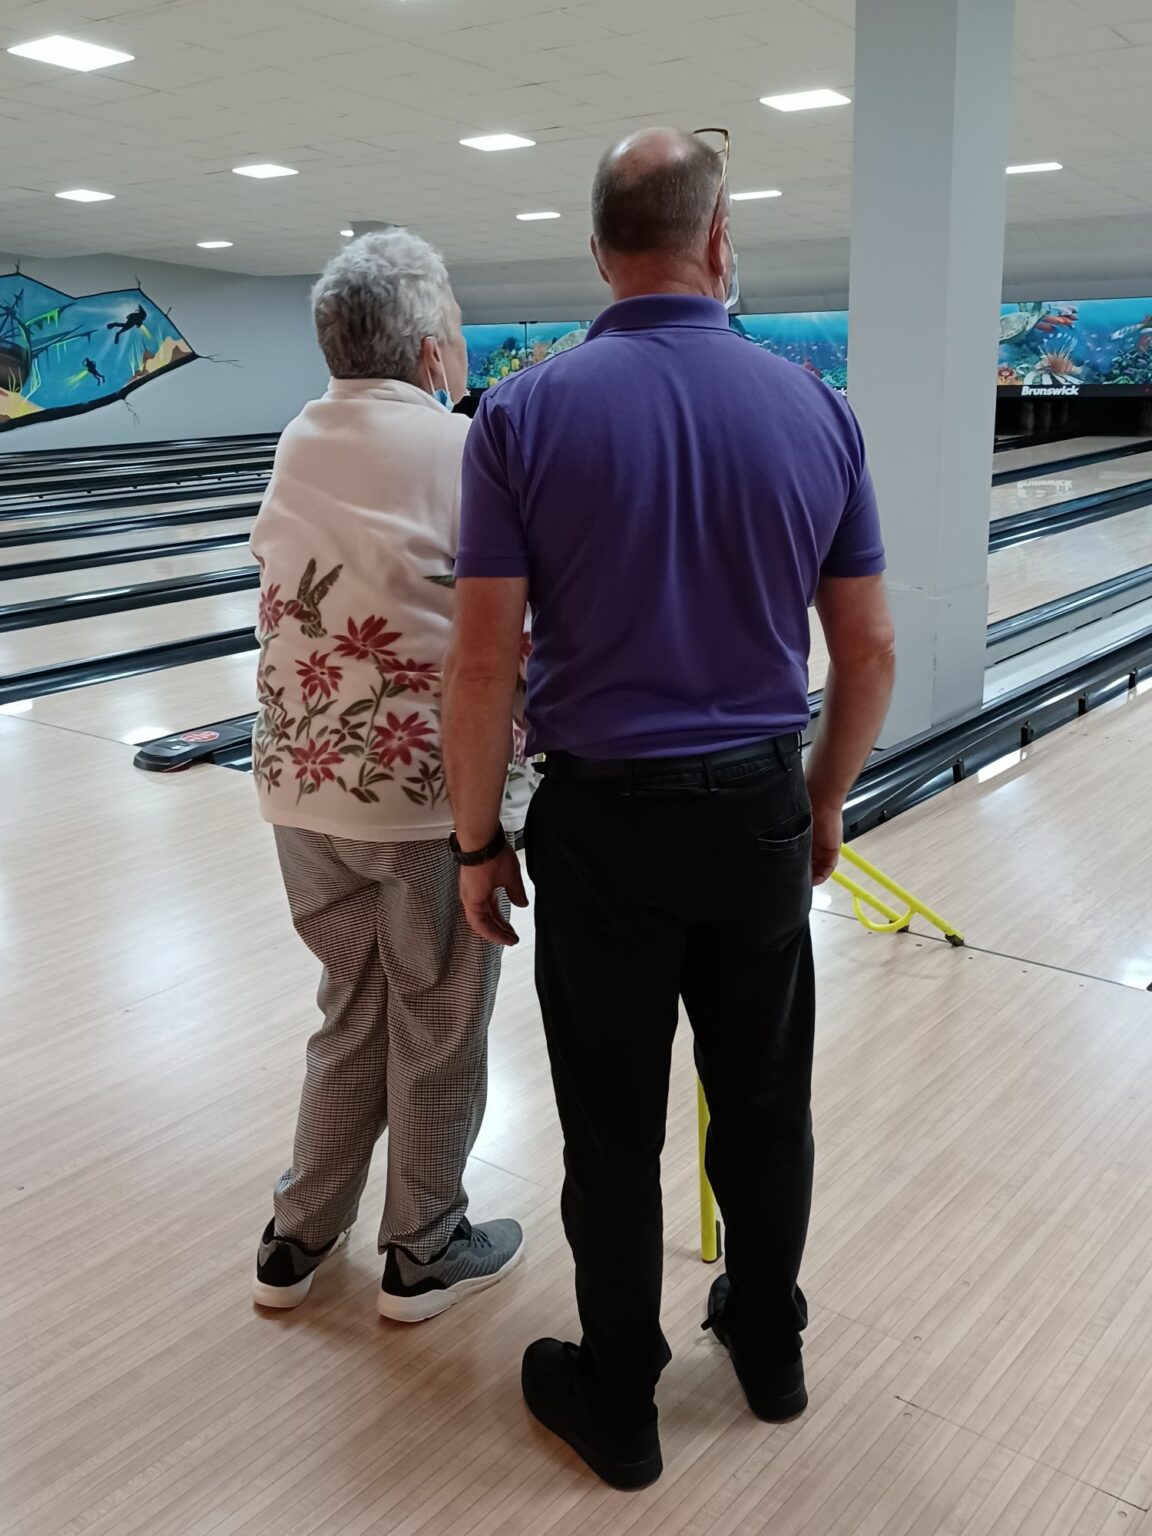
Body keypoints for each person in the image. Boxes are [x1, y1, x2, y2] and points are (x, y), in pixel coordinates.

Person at [442, 128, 895, 1487]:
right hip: (757, 807)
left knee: (611, 1125)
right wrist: (821, 803)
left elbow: (482, 663)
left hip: (604, 828)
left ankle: (622, 1402)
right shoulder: (815, 407)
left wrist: (477, 841)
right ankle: (769, 1347)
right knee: (762, 1103)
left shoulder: (520, 414)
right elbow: (869, 650)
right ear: (720, 240)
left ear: (598, 251)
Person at [249, 229, 529, 1321]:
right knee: (439, 1017)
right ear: (427, 351)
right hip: (417, 800)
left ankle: (297, 1235)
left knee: (351, 1007)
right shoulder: (464, 445)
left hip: (297, 788)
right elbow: (514, 617)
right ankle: (423, 1247)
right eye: (453, 328)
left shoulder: (298, 434)